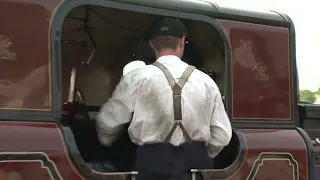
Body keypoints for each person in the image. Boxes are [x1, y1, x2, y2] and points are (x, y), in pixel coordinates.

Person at [96, 17, 232, 180]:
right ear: (182, 41)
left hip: (153, 164)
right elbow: (223, 135)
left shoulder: (135, 78)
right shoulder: (206, 82)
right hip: (197, 167)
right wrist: (203, 152)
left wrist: (106, 144)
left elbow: (107, 122)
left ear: (152, 44)